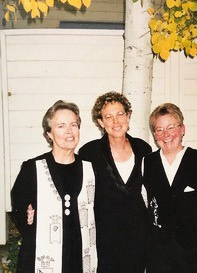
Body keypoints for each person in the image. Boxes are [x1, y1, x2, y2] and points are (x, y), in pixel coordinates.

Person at [143, 103, 197, 273]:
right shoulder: (146, 163)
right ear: (154, 135)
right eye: (159, 129)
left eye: (171, 127)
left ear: (183, 129)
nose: (166, 134)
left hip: (196, 251)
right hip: (159, 254)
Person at [11, 100, 97, 273]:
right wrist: (27, 216)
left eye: (74, 125)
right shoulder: (32, 169)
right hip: (42, 260)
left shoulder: (91, 168)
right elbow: (19, 212)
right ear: (49, 133)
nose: (69, 131)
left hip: (80, 259)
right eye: (61, 126)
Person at [78, 91, 152, 273]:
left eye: (120, 114)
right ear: (101, 123)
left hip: (138, 232)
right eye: (108, 117)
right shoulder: (89, 152)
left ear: (128, 116)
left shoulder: (144, 148)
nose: (116, 122)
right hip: (105, 234)